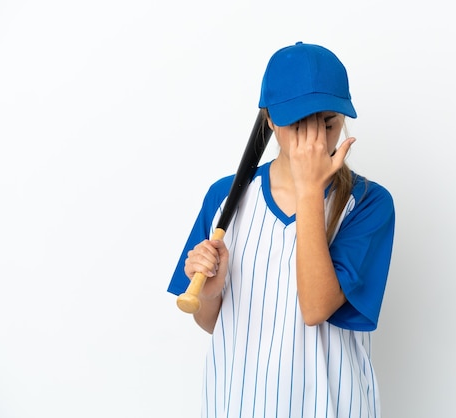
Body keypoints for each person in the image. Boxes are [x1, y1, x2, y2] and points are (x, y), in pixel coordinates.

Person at [168, 41, 395, 418]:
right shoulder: (225, 197)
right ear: (270, 119)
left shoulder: (369, 202)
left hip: (331, 406)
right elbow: (213, 323)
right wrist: (209, 295)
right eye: (297, 125)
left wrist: (309, 189)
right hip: (237, 402)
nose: (316, 141)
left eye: (327, 124)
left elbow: (316, 308)